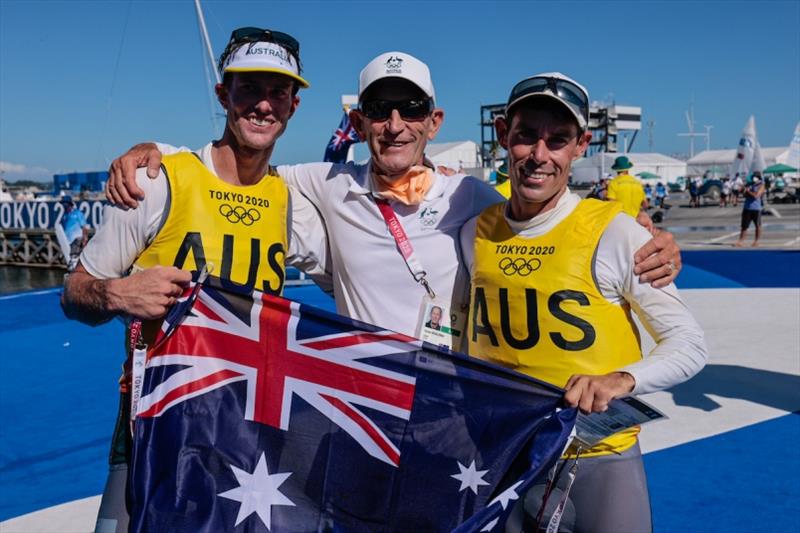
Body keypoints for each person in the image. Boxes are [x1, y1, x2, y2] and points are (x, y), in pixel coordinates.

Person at [107, 52, 684, 351]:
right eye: (379, 110)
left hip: (456, 401)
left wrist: (634, 227)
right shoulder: (325, 184)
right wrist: (157, 149)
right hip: (364, 397)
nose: (394, 124)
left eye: (411, 110)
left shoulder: (473, 194)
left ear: (434, 122)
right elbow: (245, 162)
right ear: (357, 122)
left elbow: (546, 217)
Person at [61, 28, 328, 533]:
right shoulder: (159, 181)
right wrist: (117, 293)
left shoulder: (293, 203)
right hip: (156, 420)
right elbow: (74, 293)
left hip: (250, 431)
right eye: (249, 88)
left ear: (293, 105)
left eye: (277, 92)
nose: (263, 105)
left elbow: (363, 279)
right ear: (223, 94)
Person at [459, 72, 707, 533]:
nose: (539, 155)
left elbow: (689, 344)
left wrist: (622, 379)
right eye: (526, 135)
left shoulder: (616, 231)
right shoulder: (474, 229)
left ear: (581, 146)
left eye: (558, 140)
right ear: (502, 135)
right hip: (503, 457)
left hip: (597, 461)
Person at [55, 195, 90, 271]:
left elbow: (84, 227)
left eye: (65, 203)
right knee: (70, 257)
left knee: (74, 256)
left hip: (77, 238)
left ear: (69, 204)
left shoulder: (77, 213)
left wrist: (85, 239)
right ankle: (74, 271)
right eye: (63, 203)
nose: (63, 205)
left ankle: (76, 272)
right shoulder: (64, 215)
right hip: (68, 241)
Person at [735, 171, 766, 247]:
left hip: (756, 209)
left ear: (758, 177)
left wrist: (748, 191)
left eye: (754, 177)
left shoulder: (761, 185)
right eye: (753, 177)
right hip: (747, 208)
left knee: (758, 226)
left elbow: (756, 196)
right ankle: (741, 241)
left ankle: (756, 241)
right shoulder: (750, 184)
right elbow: (745, 195)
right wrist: (743, 190)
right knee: (744, 226)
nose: (753, 178)